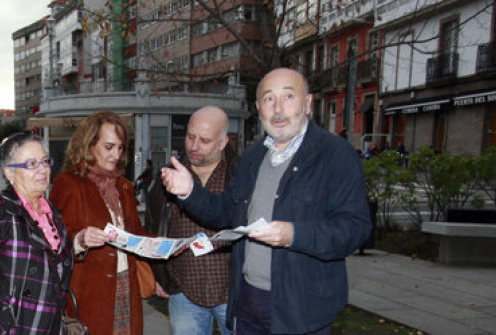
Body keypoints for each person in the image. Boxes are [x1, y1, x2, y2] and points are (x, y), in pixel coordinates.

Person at [160, 68, 372, 334]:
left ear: (307, 103)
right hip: (248, 304)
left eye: (288, 97)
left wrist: (294, 234)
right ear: (259, 107)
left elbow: (355, 229)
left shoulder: (335, 155)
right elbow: (227, 213)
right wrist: (190, 192)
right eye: (269, 99)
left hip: (301, 309)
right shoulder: (253, 157)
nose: (278, 109)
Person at [0, 132, 73, 334]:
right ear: (10, 173)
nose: (43, 169)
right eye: (31, 164)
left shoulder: (52, 213)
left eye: (45, 161)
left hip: (47, 327)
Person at [50, 110, 152, 335]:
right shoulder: (68, 184)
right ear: (89, 145)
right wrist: (80, 240)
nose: (116, 154)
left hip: (127, 286)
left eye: (120, 147)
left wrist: (168, 246)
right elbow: (53, 242)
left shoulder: (123, 186)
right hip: (90, 292)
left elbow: (136, 233)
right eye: (109, 147)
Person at [145, 106, 239, 335]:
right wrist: (157, 275)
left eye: (204, 140)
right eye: (190, 137)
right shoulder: (167, 176)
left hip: (234, 294)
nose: (194, 146)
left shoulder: (240, 174)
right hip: (184, 293)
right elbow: (154, 227)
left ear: (223, 142)